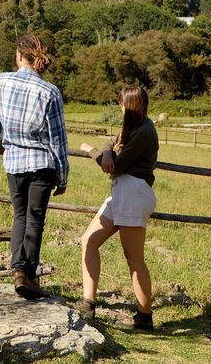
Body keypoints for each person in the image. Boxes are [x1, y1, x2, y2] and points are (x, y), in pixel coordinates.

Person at [0, 33, 70, 300]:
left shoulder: (2, 81)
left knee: (20, 217)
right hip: (41, 164)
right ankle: (27, 274)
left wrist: (1, 138)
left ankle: (18, 271)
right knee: (36, 220)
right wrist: (63, 176)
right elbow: (58, 140)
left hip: (14, 163)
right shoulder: (50, 91)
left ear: (20, 56)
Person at [77, 85, 158, 329]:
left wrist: (90, 150)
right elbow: (110, 142)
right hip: (122, 192)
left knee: (134, 258)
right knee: (88, 241)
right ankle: (88, 303)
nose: (120, 108)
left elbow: (117, 166)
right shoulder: (134, 127)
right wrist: (105, 150)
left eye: (121, 104)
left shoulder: (145, 131)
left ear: (129, 105)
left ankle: (145, 317)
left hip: (133, 192)